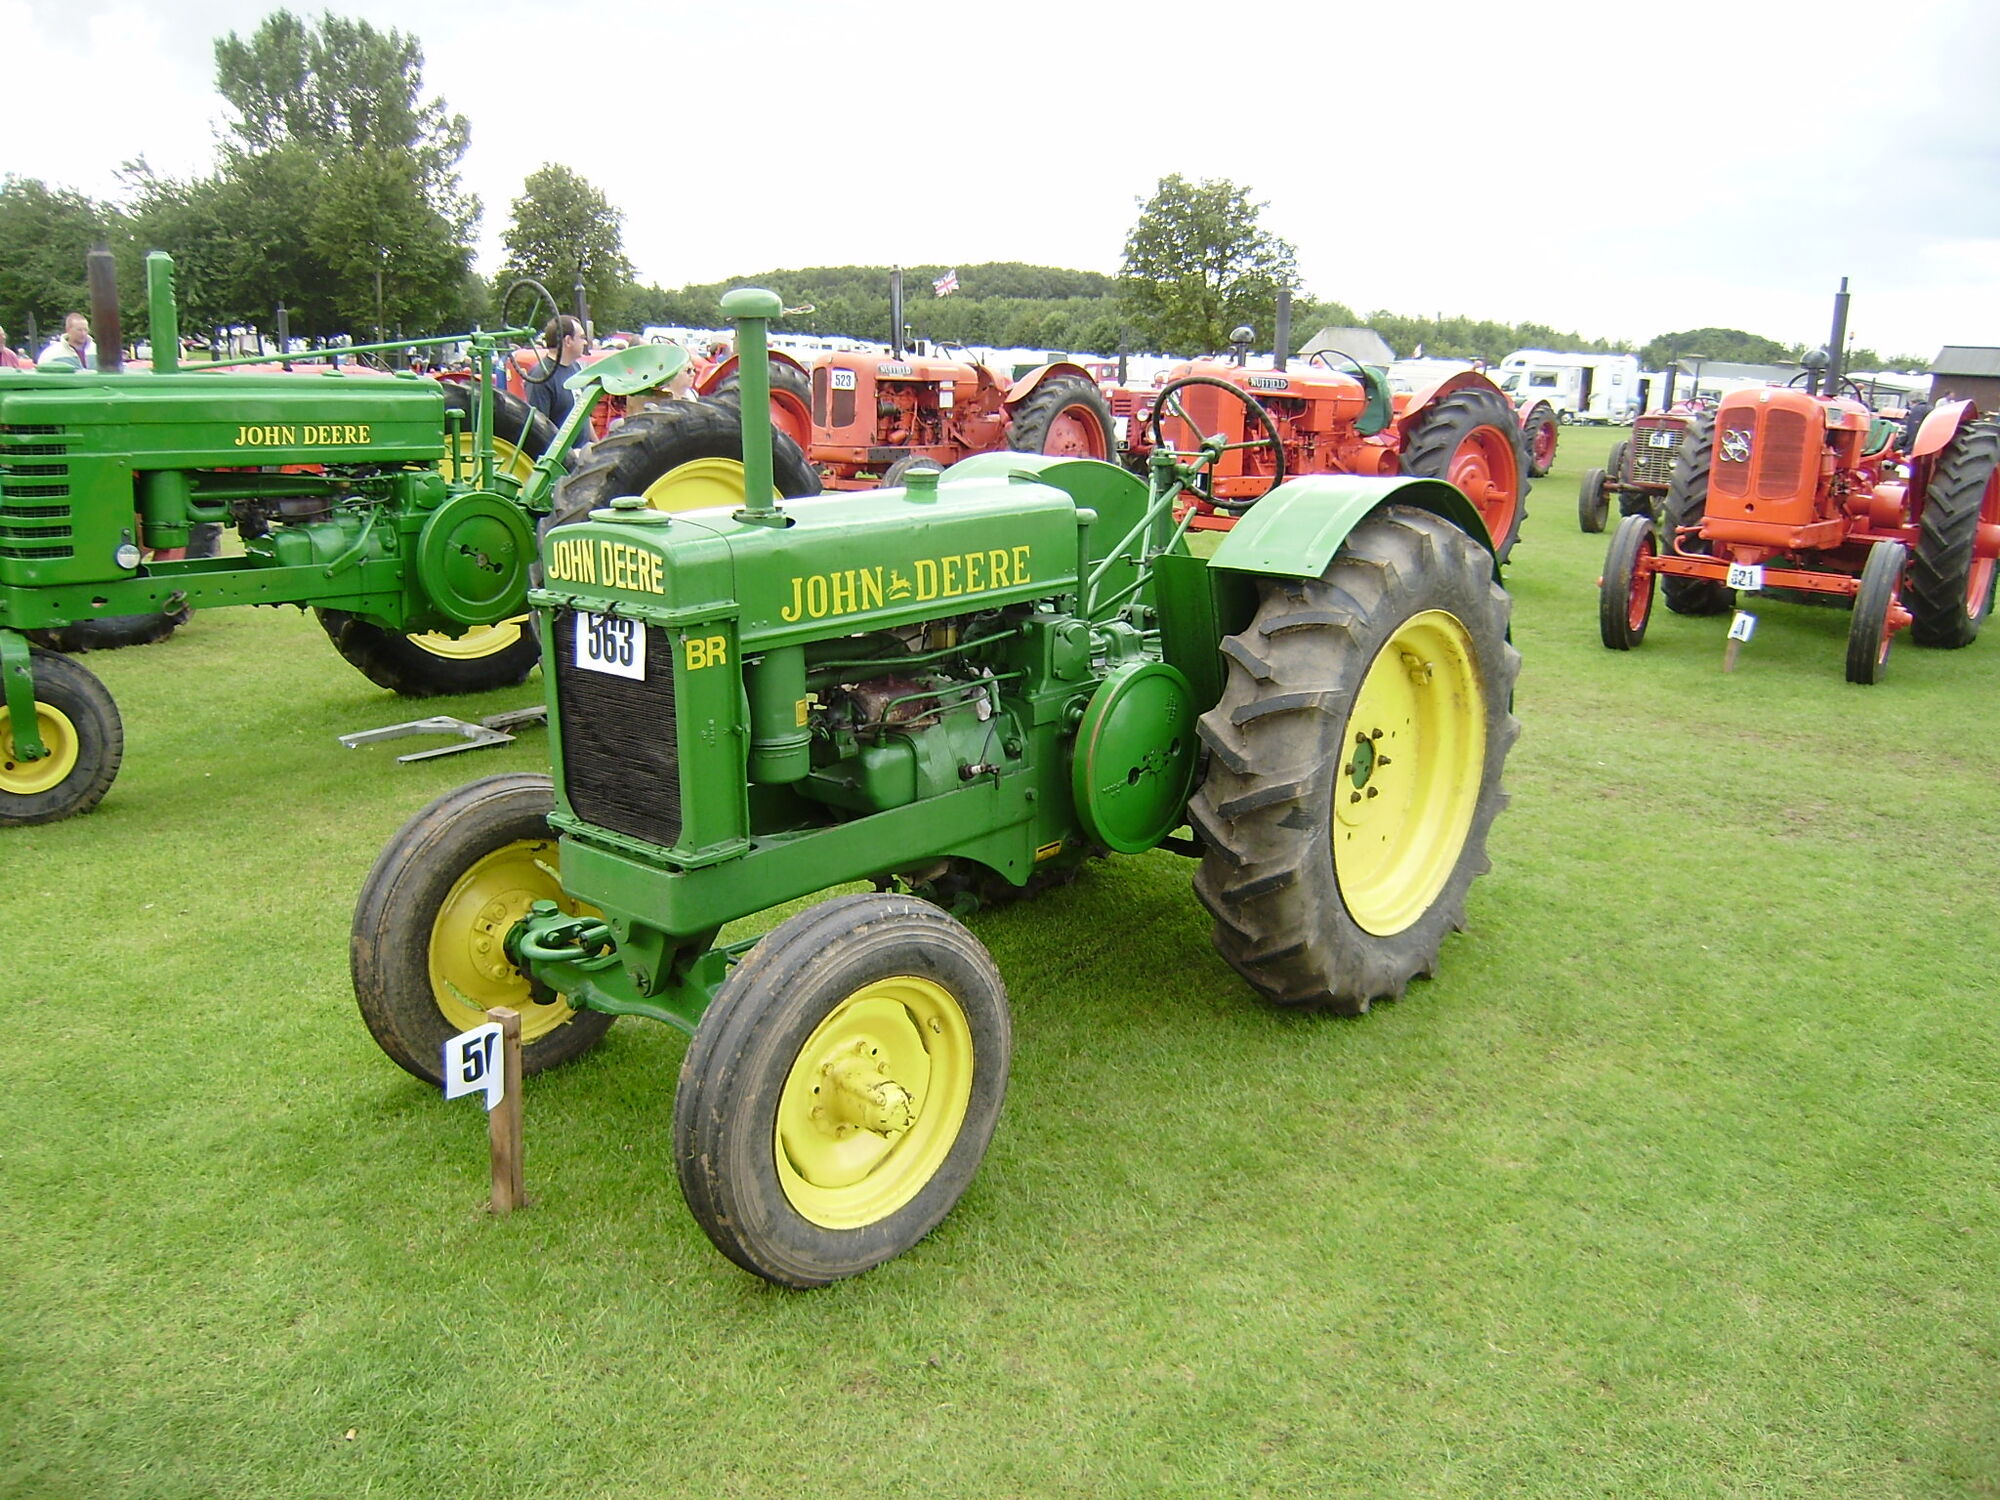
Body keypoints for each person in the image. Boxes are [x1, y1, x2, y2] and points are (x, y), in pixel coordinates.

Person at [525, 315, 589, 440]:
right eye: (581, 337)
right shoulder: (541, 377)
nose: (585, 342)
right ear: (568, 341)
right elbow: (539, 429)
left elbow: (583, 414)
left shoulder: (576, 368)